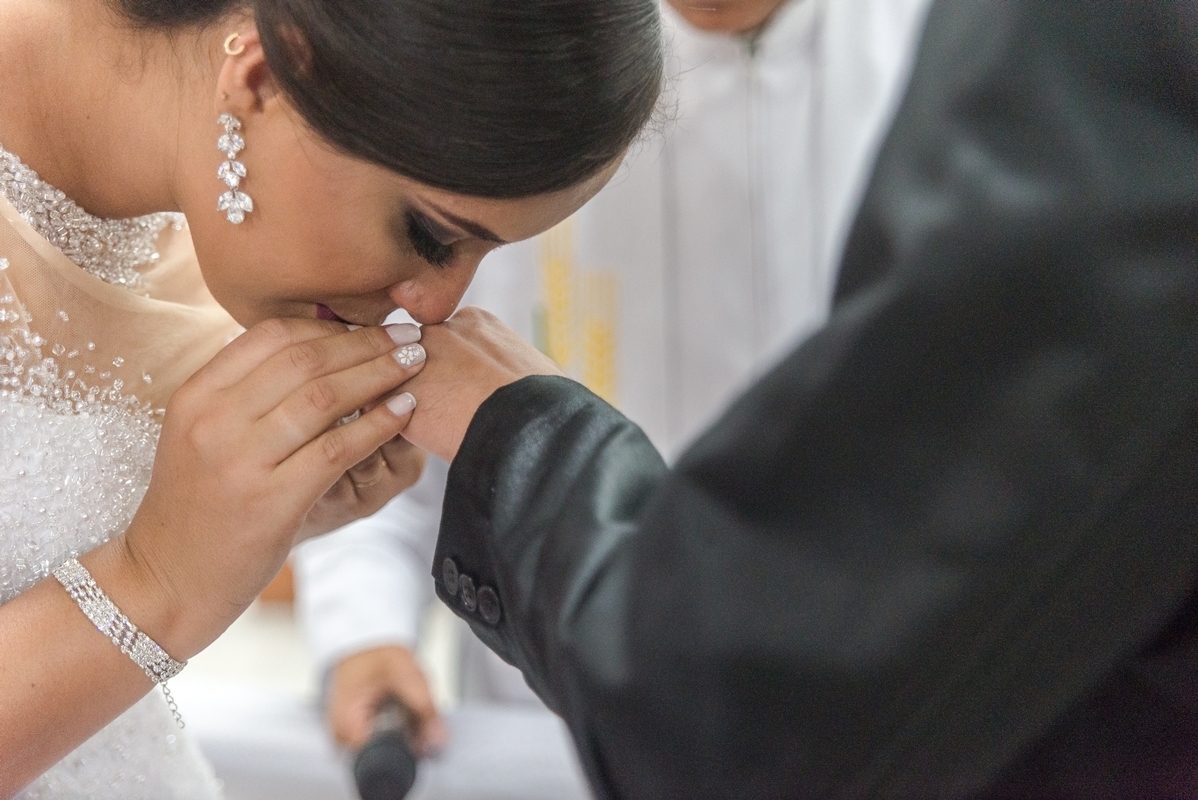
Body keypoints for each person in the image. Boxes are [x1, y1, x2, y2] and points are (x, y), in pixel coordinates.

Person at [391, 0, 1198, 797]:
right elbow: (409, 380)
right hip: (548, 707)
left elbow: (740, 709)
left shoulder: (976, 58)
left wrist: (525, 438)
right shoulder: (538, 57)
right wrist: (360, 618)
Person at [0, 0, 663, 796]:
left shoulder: (194, 202)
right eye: (430, 234)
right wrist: (157, 582)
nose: (436, 306)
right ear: (263, 77)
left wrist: (258, 521)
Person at [294, 0, 934, 755]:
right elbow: (397, 394)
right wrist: (365, 630)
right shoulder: (517, 55)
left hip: (868, 722)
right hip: (551, 726)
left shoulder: (941, 66)